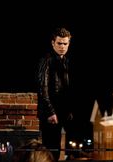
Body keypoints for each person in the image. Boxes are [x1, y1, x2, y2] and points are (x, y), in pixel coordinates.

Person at [36, 27, 76, 161]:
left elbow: (67, 88)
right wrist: (50, 112)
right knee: (50, 150)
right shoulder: (47, 60)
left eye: (65, 44)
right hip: (51, 113)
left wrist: (69, 109)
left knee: (59, 149)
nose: (62, 47)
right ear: (53, 43)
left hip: (62, 112)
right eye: (59, 43)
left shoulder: (66, 61)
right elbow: (43, 88)